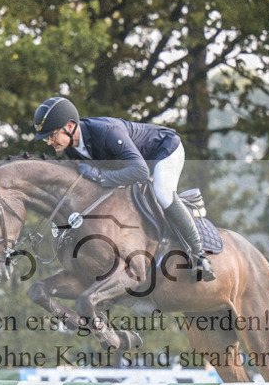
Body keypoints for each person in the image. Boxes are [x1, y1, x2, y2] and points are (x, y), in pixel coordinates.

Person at [32, 96, 215, 281]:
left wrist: (99, 176)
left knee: (163, 193)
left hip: (163, 150)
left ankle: (200, 255)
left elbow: (141, 172)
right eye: (46, 138)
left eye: (52, 135)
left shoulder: (106, 132)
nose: (49, 142)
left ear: (70, 126)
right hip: (133, 165)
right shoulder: (70, 148)